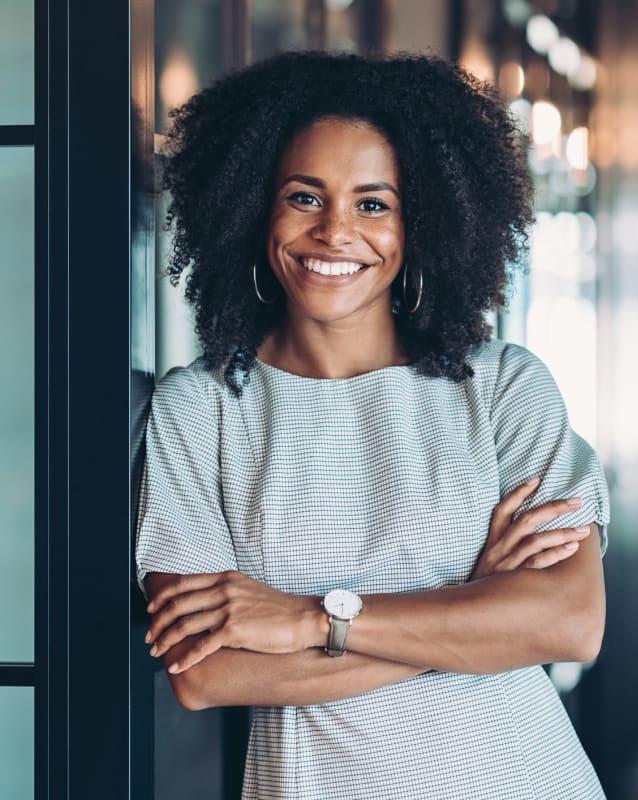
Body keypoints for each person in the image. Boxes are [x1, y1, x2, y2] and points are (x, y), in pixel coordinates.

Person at [136, 51, 610, 800]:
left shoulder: (502, 388)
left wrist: (307, 620)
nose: (334, 232)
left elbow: (570, 620)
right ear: (254, 207)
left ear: (420, 223)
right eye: (303, 196)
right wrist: (475, 613)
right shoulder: (201, 411)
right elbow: (207, 673)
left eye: (373, 203)